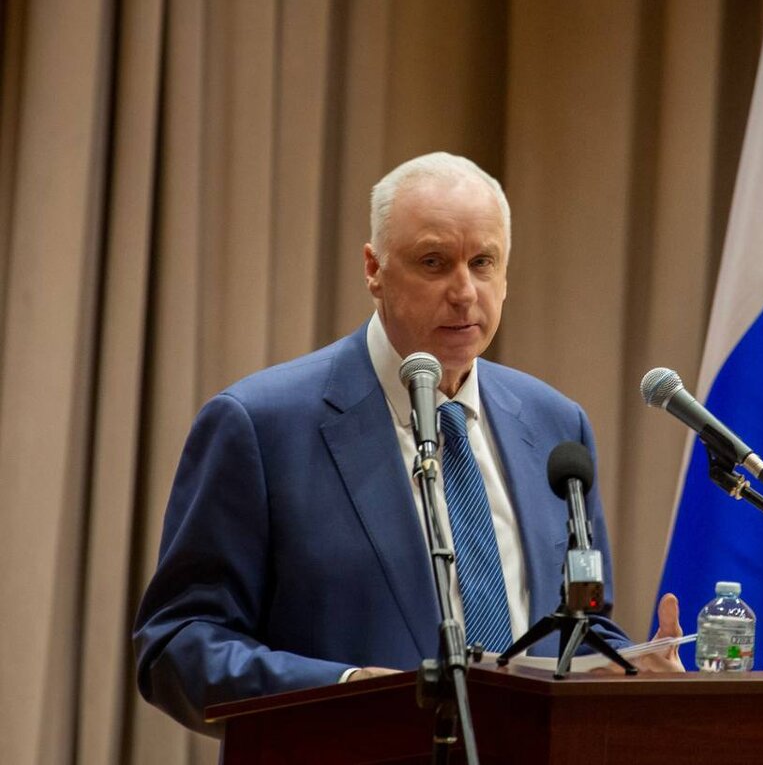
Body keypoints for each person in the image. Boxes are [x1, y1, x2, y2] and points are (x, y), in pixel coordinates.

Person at [133, 153, 682, 735]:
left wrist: (629, 669)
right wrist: (343, 692)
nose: (464, 292)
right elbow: (176, 646)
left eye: (483, 262)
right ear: (374, 268)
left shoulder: (556, 425)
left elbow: (577, 626)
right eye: (433, 262)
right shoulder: (260, 426)